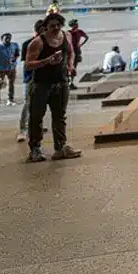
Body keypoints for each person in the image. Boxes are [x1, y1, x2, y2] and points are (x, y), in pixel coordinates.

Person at [24, 12, 82, 162]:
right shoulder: (37, 42)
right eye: (52, 26)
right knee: (36, 117)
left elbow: (71, 53)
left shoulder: (66, 36)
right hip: (41, 84)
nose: (55, 28)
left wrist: (70, 66)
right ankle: (35, 148)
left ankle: (61, 147)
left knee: (60, 116)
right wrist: (47, 61)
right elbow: (28, 65)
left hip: (61, 83)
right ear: (45, 27)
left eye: (58, 25)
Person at [17, 19, 43, 143]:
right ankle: (23, 130)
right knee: (28, 104)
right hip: (31, 78)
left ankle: (36, 125)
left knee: (40, 104)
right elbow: (27, 64)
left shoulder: (49, 42)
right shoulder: (28, 43)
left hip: (44, 78)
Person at [0, 32, 20, 106]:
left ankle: (10, 100)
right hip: (0, 69)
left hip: (12, 68)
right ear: (2, 39)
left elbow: (17, 54)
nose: (8, 39)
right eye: (6, 38)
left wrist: (14, 59)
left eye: (9, 38)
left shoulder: (15, 45)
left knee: (11, 84)